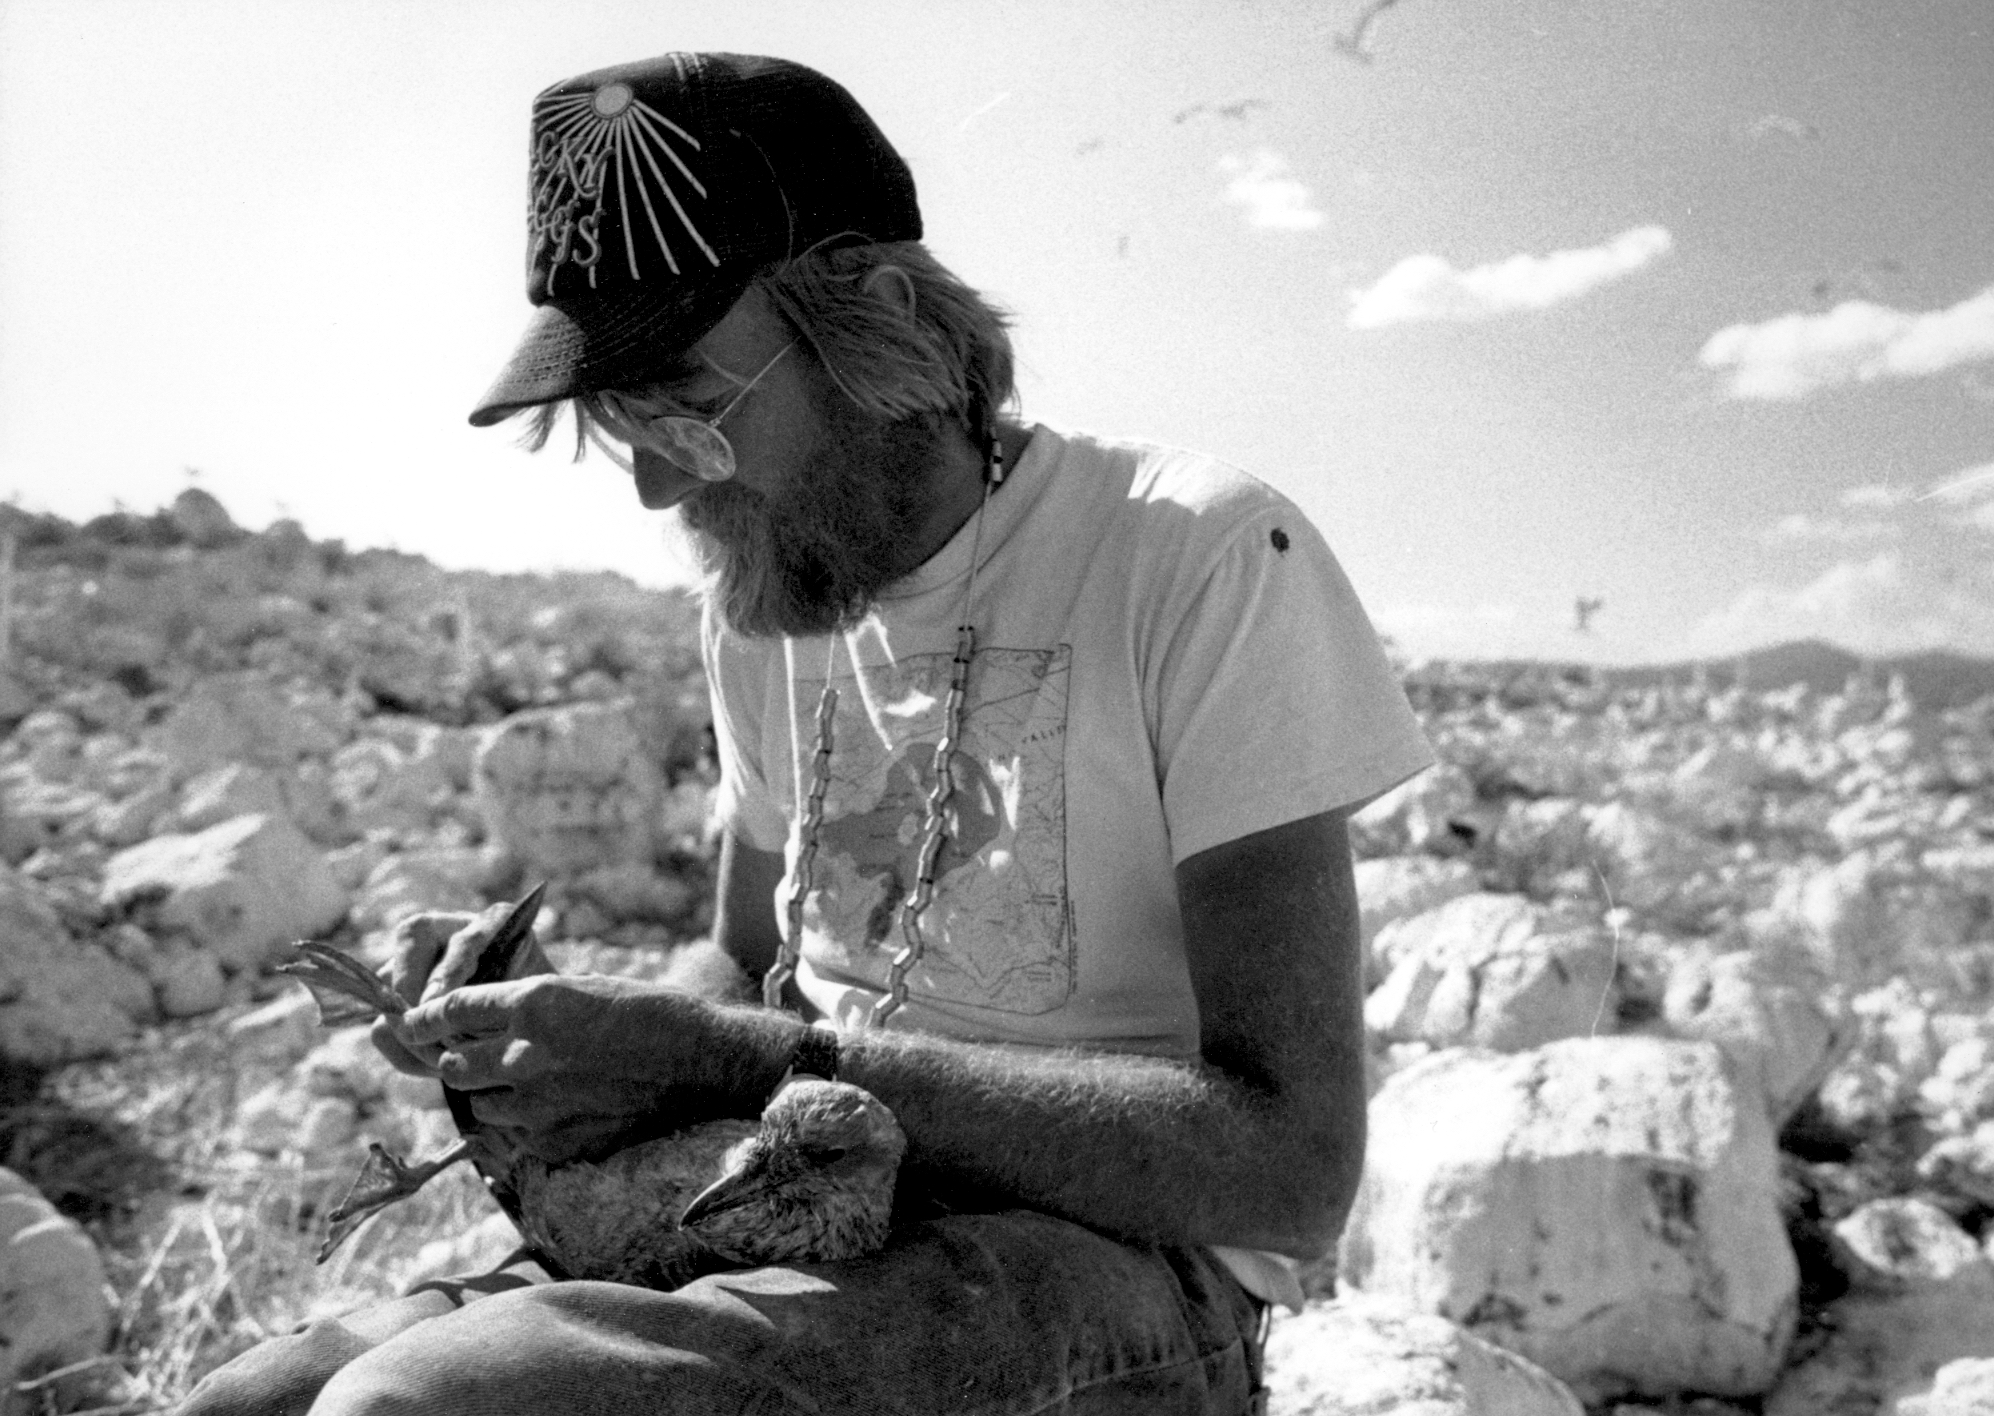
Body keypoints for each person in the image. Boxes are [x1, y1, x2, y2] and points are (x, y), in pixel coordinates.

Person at [180, 51, 1431, 1416]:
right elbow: (744, 964)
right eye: (619, 423)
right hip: (791, 1188)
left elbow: (1290, 1170)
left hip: (1118, 1274)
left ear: (882, 327)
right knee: (250, 1400)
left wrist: (735, 1057)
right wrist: (567, 1047)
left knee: (421, 1409)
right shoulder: (764, 604)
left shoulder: (1190, 554)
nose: (658, 480)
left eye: (689, 408)